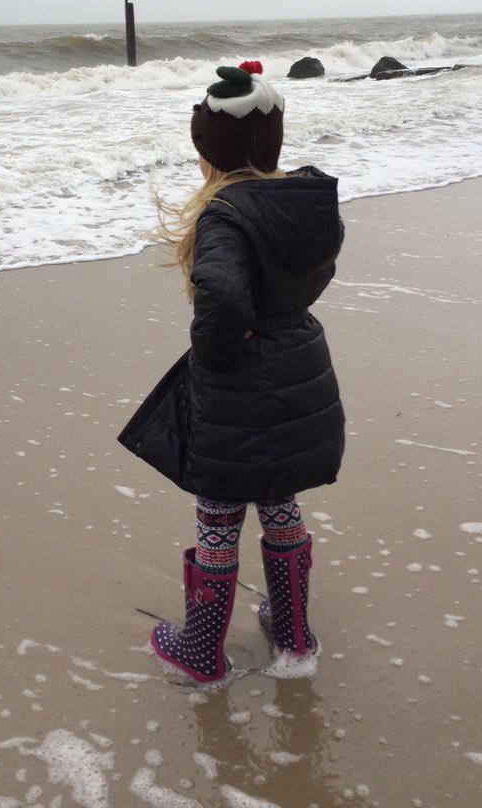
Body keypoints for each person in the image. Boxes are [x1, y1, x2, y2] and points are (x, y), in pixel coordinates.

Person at [118, 60, 345, 684]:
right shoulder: (304, 204)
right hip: (299, 363)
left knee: (219, 515)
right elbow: (311, 273)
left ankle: (202, 652)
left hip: (241, 386)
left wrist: (220, 354)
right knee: (279, 501)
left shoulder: (224, 214)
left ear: (209, 156)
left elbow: (219, 294)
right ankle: (295, 639)